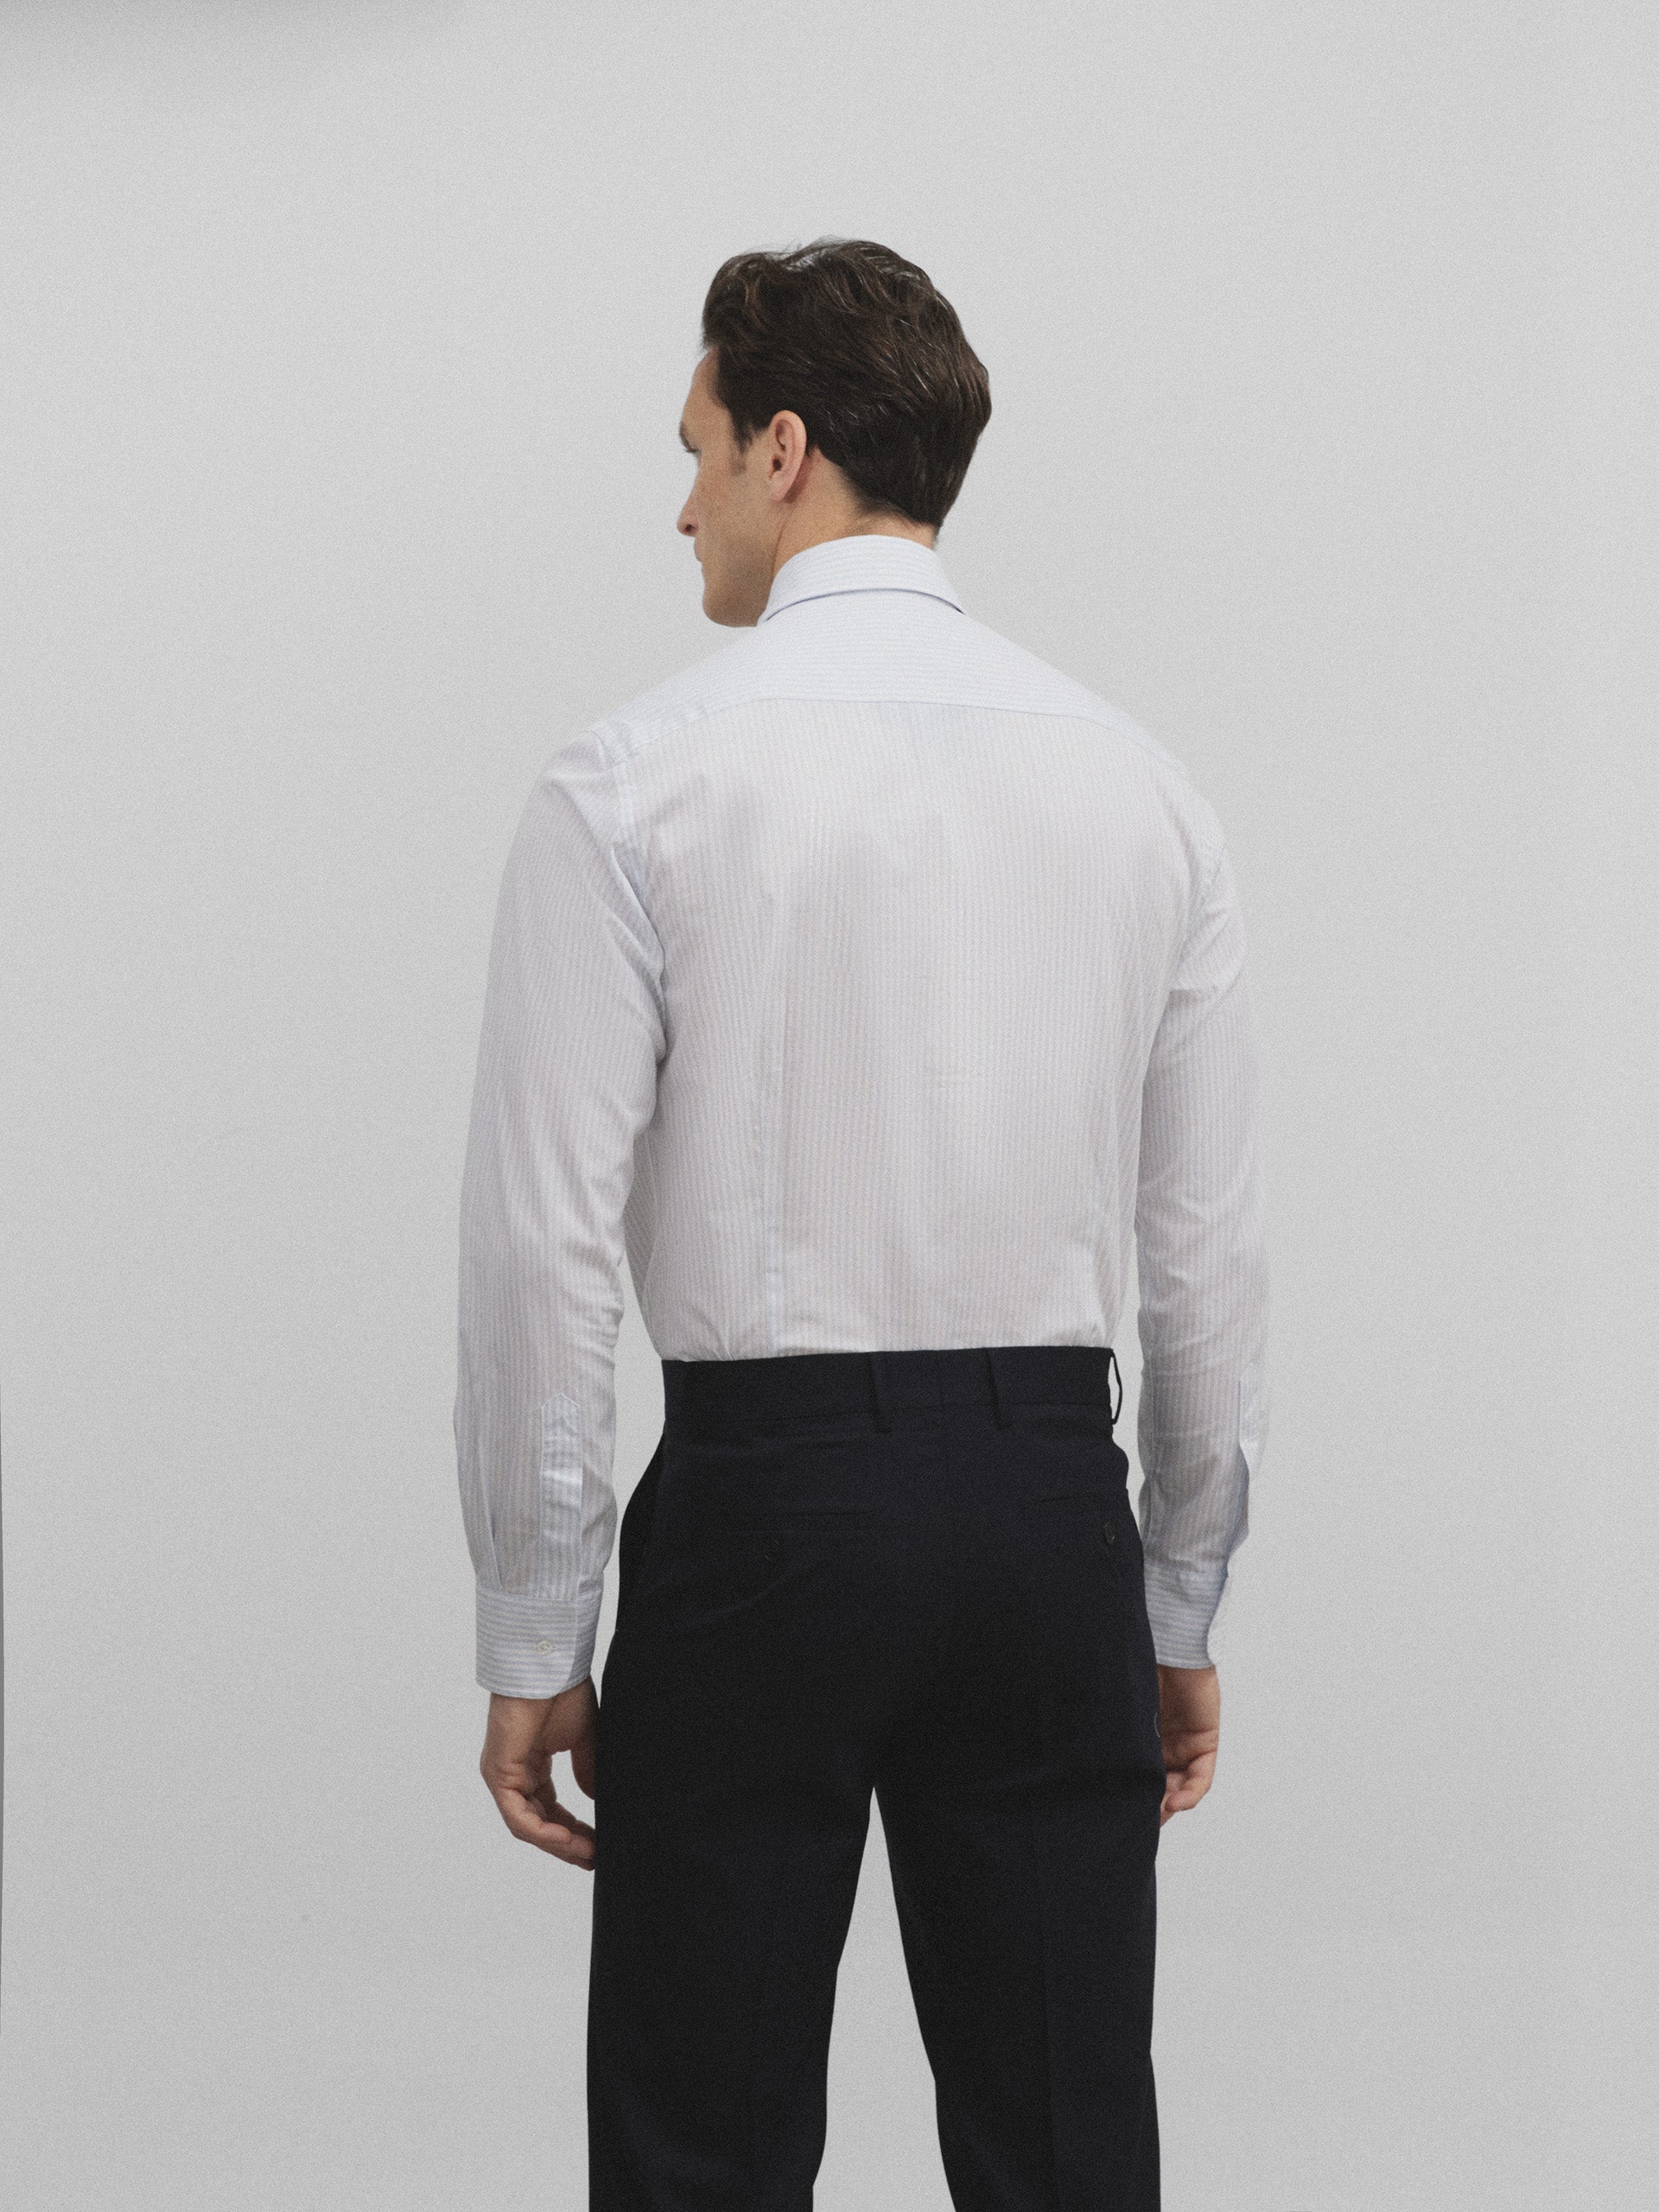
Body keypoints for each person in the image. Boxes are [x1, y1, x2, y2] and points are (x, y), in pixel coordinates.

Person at [454, 237, 1269, 2210]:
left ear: (786, 448)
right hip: (1046, 1515)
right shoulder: (1144, 790)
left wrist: (538, 1619)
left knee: (704, 2150)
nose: (684, 506)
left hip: (768, 1517)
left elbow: (546, 1248)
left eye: (697, 451)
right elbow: (1205, 1261)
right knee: (1069, 2143)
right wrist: (1176, 1597)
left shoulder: (631, 784)